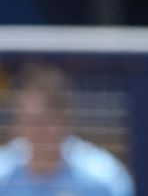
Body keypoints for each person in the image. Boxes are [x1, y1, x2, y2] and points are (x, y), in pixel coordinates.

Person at [0, 62, 134, 196]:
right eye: (28, 121)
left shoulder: (103, 177)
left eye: (44, 122)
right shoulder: (3, 174)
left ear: (65, 121)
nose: (37, 131)